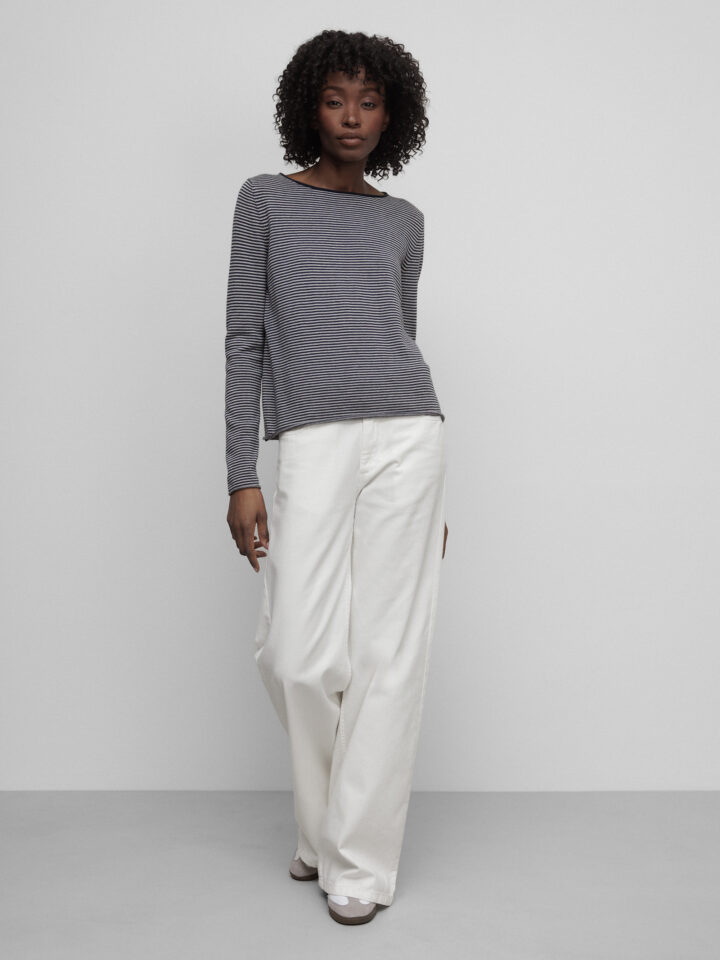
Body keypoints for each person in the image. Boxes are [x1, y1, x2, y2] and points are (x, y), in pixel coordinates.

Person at [225, 29, 449, 925]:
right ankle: (322, 831)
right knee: (297, 657)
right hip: (312, 440)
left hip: (409, 435)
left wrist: (429, 507)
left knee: (388, 656)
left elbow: (400, 333)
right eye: (334, 99)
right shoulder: (264, 200)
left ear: (392, 116)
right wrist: (241, 474)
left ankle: (356, 864)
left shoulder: (404, 221)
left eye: (369, 101)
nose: (352, 116)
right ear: (307, 109)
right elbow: (243, 338)